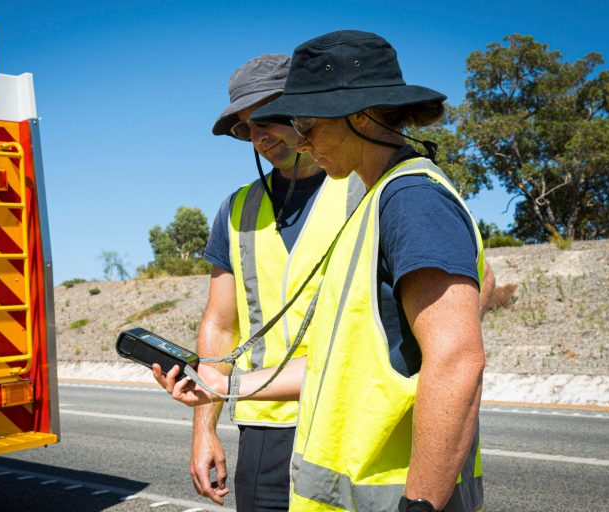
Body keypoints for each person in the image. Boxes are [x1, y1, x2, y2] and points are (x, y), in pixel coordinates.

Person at [156, 31, 488, 512]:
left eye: (302, 121)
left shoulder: (406, 199)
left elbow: (456, 358)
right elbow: (339, 358)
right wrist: (222, 388)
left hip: (389, 471)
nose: (299, 137)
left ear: (358, 115)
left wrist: (422, 504)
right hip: (319, 448)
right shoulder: (365, 200)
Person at [193, 53, 364, 510]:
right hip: (265, 427)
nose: (260, 135)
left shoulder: (365, 186)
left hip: (349, 420)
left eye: (269, 116)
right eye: (247, 127)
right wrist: (203, 428)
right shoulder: (237, 209)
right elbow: (220, 325)